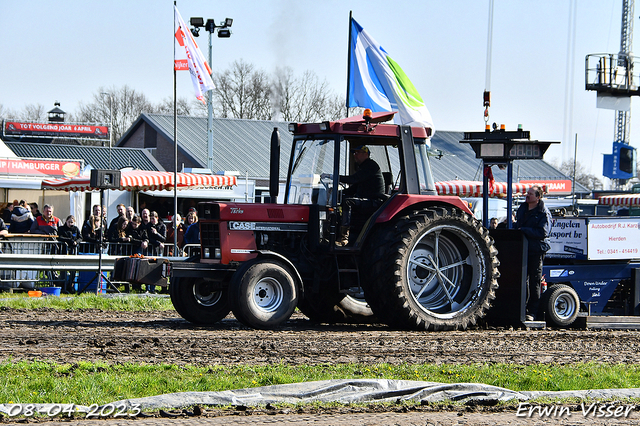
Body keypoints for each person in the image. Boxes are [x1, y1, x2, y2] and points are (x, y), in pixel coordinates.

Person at [322, 145, 386, 244]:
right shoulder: (362, 168)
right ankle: (330, 232)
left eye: (357, 153)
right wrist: (336, 193)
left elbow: (353, 179)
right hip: (365, 199)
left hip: (374, 201)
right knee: (342, 198)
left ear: (366, 154)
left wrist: (332, 176)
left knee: (348, 202)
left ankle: (343, 237)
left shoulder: (371, 166)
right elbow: (353, 188)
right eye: (354, 153)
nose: (355, 156)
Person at [515, 186, 552, 321]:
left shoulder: (543, 213)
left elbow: (543, 232)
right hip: (522, 249)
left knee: (534, 281)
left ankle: (532, 311)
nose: (527, 195)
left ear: (538, 197)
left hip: (536, 250)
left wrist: (524, 230)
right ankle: (520, 309)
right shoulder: (522, 208)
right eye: (527, 193)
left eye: (530, 194)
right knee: (521, 280)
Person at [57, 215, 82, 293]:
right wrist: (70, 240)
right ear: (66, 221)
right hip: (64, 251)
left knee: (73, 270)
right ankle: (63, 285)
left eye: (72, 222)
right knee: (63, 270)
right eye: (69, 222)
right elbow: (60, 237)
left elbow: (80, 237)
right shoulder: (61, 228)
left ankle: (70, 286)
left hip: (73, 252)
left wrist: (76, 242)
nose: (70, 224)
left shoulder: (75, 229)